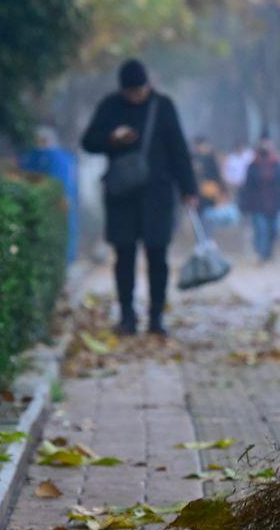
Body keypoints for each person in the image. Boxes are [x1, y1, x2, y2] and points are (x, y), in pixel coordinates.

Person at [80, 59, 198, 336]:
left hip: (157, 195)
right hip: (122, 196)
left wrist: (189, 189)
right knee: (124, 256)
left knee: (158, 256)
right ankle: (127, 315)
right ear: (122, 90)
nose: (135, 96)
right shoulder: (110, 106)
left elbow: (178, 149)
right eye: (130, 92)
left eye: (139, 90)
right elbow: (88, 141)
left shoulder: (163, 106)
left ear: (149, 85)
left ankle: (156, 316)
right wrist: (112, 138)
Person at [19, 126, 79, 263]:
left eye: (42, 140)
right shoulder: (34, 155)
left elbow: (63, 181)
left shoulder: (59, 158)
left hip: (60, 202)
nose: (40, 143)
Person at [238, 135, 280, 263]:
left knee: (274, 230)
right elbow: (247, 187)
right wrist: (244, 204)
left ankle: (268, 252)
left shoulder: (276, 164)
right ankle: (261, 254)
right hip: (257, 205)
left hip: (274, 204)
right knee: (261, 230)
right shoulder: (252, 166)